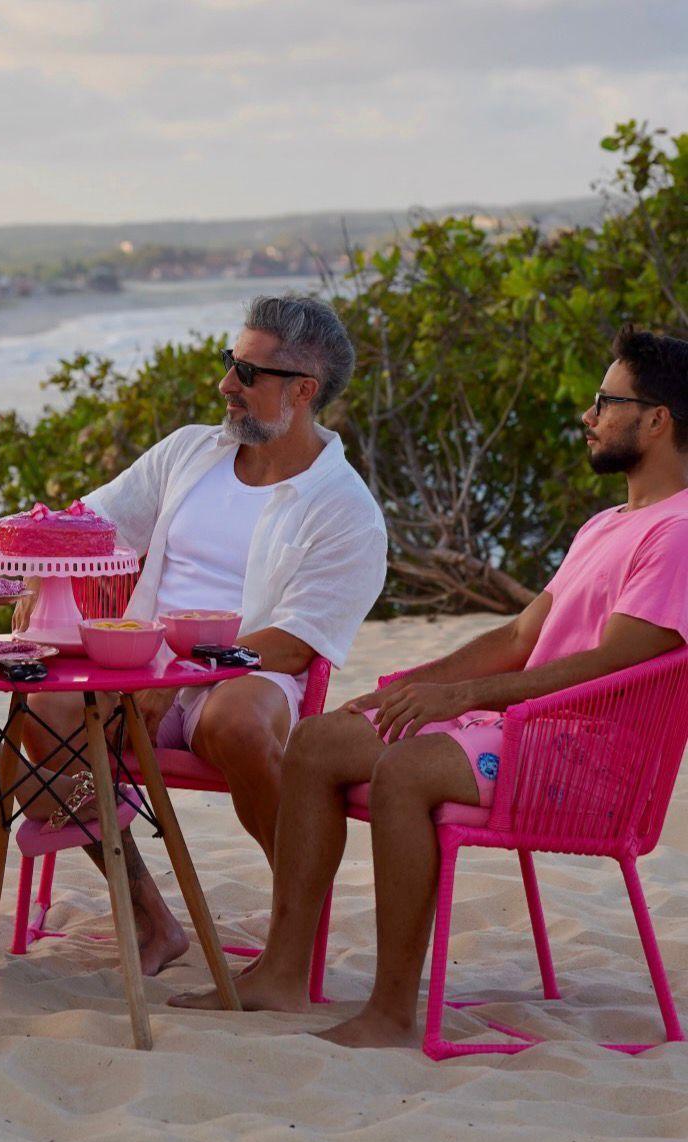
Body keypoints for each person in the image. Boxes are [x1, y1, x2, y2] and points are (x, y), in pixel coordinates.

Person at [172, 326, 688, 1047]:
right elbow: (516, 638)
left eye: (606, 401)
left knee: (406, 768)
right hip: (524, 733)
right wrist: (412, 684)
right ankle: (281, 973)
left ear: (657, 419)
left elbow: (619, 662)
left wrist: (465, 699)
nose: (589, 415)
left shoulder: (678, 531)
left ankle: (388, 1011)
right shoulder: (609, 523)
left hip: (588, 760)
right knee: (319, 741)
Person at [15, 295, 388, 974]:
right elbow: (89, 525)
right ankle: (152, 918)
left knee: (239, 721)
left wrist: (183, 670)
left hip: (251, 672)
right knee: (48, 711)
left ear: (301, 391)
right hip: (141, 668)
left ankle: (292, 936)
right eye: (229, 363)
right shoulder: (191, 452)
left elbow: (296, 641)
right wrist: (40, 570)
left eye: (247, 372)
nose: (226, 385)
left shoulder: (345, 508)